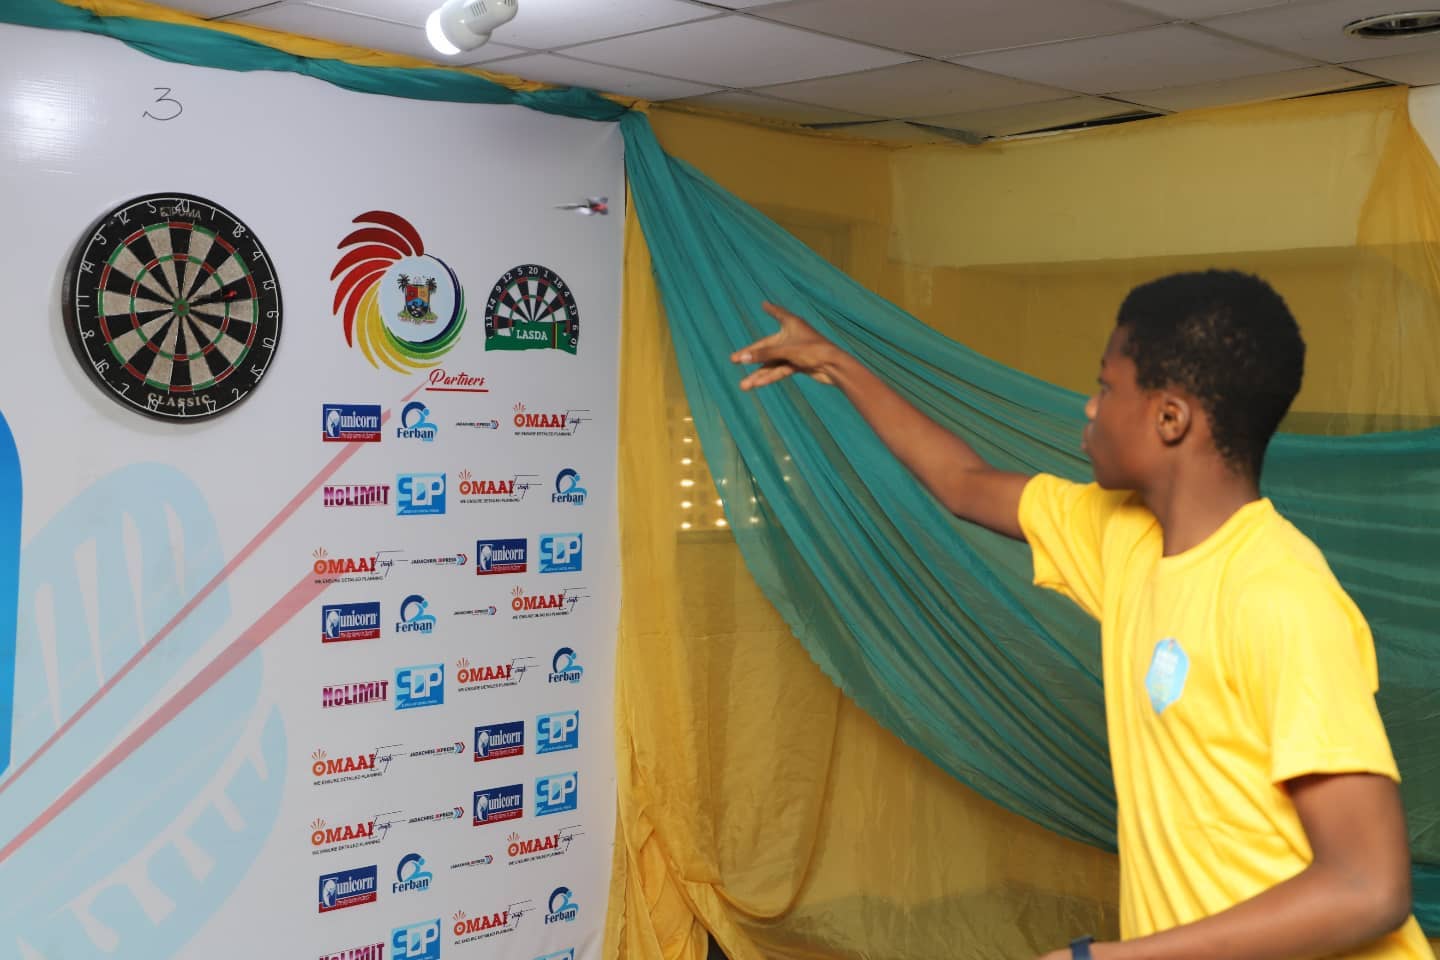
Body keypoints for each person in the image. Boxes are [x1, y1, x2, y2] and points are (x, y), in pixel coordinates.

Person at [731, 271, 1433, 960]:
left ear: (1170, 418)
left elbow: (1367, 889)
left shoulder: (1280, 596)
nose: (1091, 409)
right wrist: (834, 363)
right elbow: (963, 483)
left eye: (1106, 387)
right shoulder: (1120, 534)